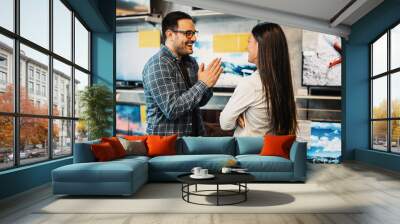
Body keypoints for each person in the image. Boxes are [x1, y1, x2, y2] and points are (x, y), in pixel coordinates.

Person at [143, 11, 223, 136]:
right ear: (170, 35)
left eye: (194, 33)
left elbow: (198, 102)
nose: (194, 38)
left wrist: (208, 84)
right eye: (188, 33)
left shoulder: (190, 62)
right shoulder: (158, 64)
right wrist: (203, 84)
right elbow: (172, 109)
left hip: (194, 141)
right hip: (168, 146)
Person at [219, 23, 297, 136]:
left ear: (260, 46)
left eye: (249, 42)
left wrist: (236, 117)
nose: (247, 47)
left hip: (249, 151)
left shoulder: (250, 84)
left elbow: (225, 123)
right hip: (271, 151)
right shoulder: (283, 81)